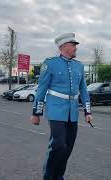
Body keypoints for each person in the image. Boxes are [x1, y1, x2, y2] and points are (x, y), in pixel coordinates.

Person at [29, 33, 93, 180]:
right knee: (58, 145)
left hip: (73, 111)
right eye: (73, 45)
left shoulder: (79, 66)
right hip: (56, 110)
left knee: (68, 148)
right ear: (63, 46)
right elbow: (42, 89)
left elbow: (83, 89)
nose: (75, 47)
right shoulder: (50, 63)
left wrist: (88, 111)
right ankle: (48, 176)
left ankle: (59, 176)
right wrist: (36, 113)